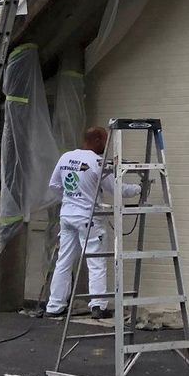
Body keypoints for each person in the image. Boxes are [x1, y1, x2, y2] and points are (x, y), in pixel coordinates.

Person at [45, 125, 112, 318]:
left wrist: (70, 198)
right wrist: (138, 189)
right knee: (95, 261)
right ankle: (98, 306)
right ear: (98, 140)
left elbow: (54, 185)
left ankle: (54, 306)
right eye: (105, 141)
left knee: (63, 261)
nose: (106, 145)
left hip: (67, 216)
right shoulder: (97, 162)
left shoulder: (66, 157)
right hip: (88, 218)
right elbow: (117, 189)